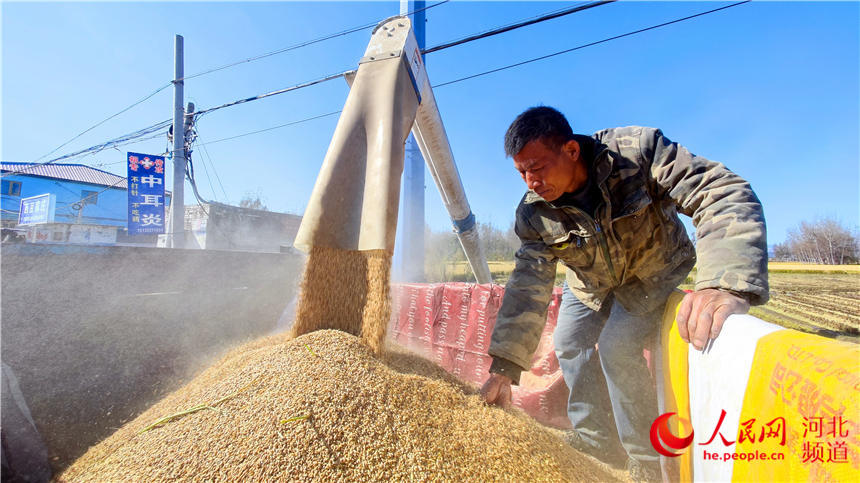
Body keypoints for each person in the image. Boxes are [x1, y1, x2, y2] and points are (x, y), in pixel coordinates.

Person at [480, 106, 768, 482]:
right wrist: (504, 367)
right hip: (591, 284)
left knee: (617, 347)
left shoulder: (637, 152)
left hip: (651, 272)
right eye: (521, 172)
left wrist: (724, 282)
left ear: (570, 150)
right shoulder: (534, 213)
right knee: (569, 341)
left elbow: (718, 190)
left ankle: (646, 459)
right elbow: (527, 284)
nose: (530, 182)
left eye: (537, 167)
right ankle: (597, 438)